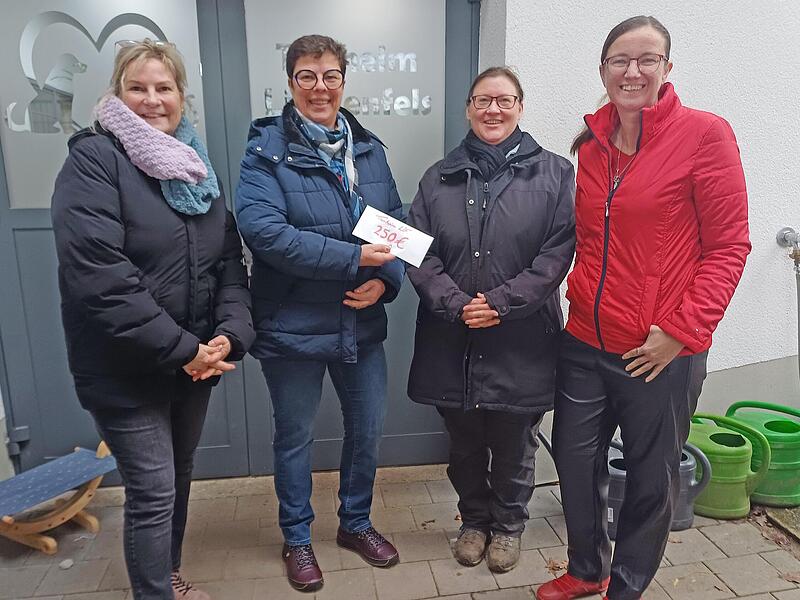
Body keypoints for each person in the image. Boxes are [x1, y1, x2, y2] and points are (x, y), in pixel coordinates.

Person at [536, 16, 750, 600]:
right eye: (619, 60)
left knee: (651, 480)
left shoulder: (705, 135)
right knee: (576, 464)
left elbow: (729, 246)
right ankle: (587, 569)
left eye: (646, 59)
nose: (632, 71)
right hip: (585, 341)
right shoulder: (592, 146)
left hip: (658, 352)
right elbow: (585, 240)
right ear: (602, 70)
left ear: (666, 68)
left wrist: (681, 331)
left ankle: (626, 588)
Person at [51, 40, 254, 600]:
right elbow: (101, 275)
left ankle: (168, 577)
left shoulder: (194, 168)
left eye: (164, 88)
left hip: (191, 365)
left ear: (181, 96)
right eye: (137, 88)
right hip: (124, 367)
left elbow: (227, 265)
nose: (151, 99)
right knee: (154, 489)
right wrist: (183, 348)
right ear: (117, 94)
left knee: (177, 478)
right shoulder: (95, 160)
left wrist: (227, 336)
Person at [235, 34, 404, 592]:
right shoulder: (266, 152)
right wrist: (353, 259)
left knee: (367, 429)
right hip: (292, 325)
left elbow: (395, 225)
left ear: (343, 82)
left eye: (330, 75)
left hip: (359, 322)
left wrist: (384, 280)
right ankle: (297, 538)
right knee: (295, 438)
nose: (319, 87)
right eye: (306, 76)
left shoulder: (368, 150)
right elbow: (266, 234)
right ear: (290, 83)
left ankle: (355, 524)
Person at [406, 66, 576, 573]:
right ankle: (474, 522)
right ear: (468, 109)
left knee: (514, 443)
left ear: (520, 106)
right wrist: (456, 303)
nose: (493, 110)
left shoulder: (554, 174)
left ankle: (508, 527)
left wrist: (500, 302)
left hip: (522, 337)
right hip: (451, 335)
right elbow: (417, 252)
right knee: (463, 443)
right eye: (483, 100)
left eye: (504, 100)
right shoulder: (438, 177)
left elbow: (557, 254)